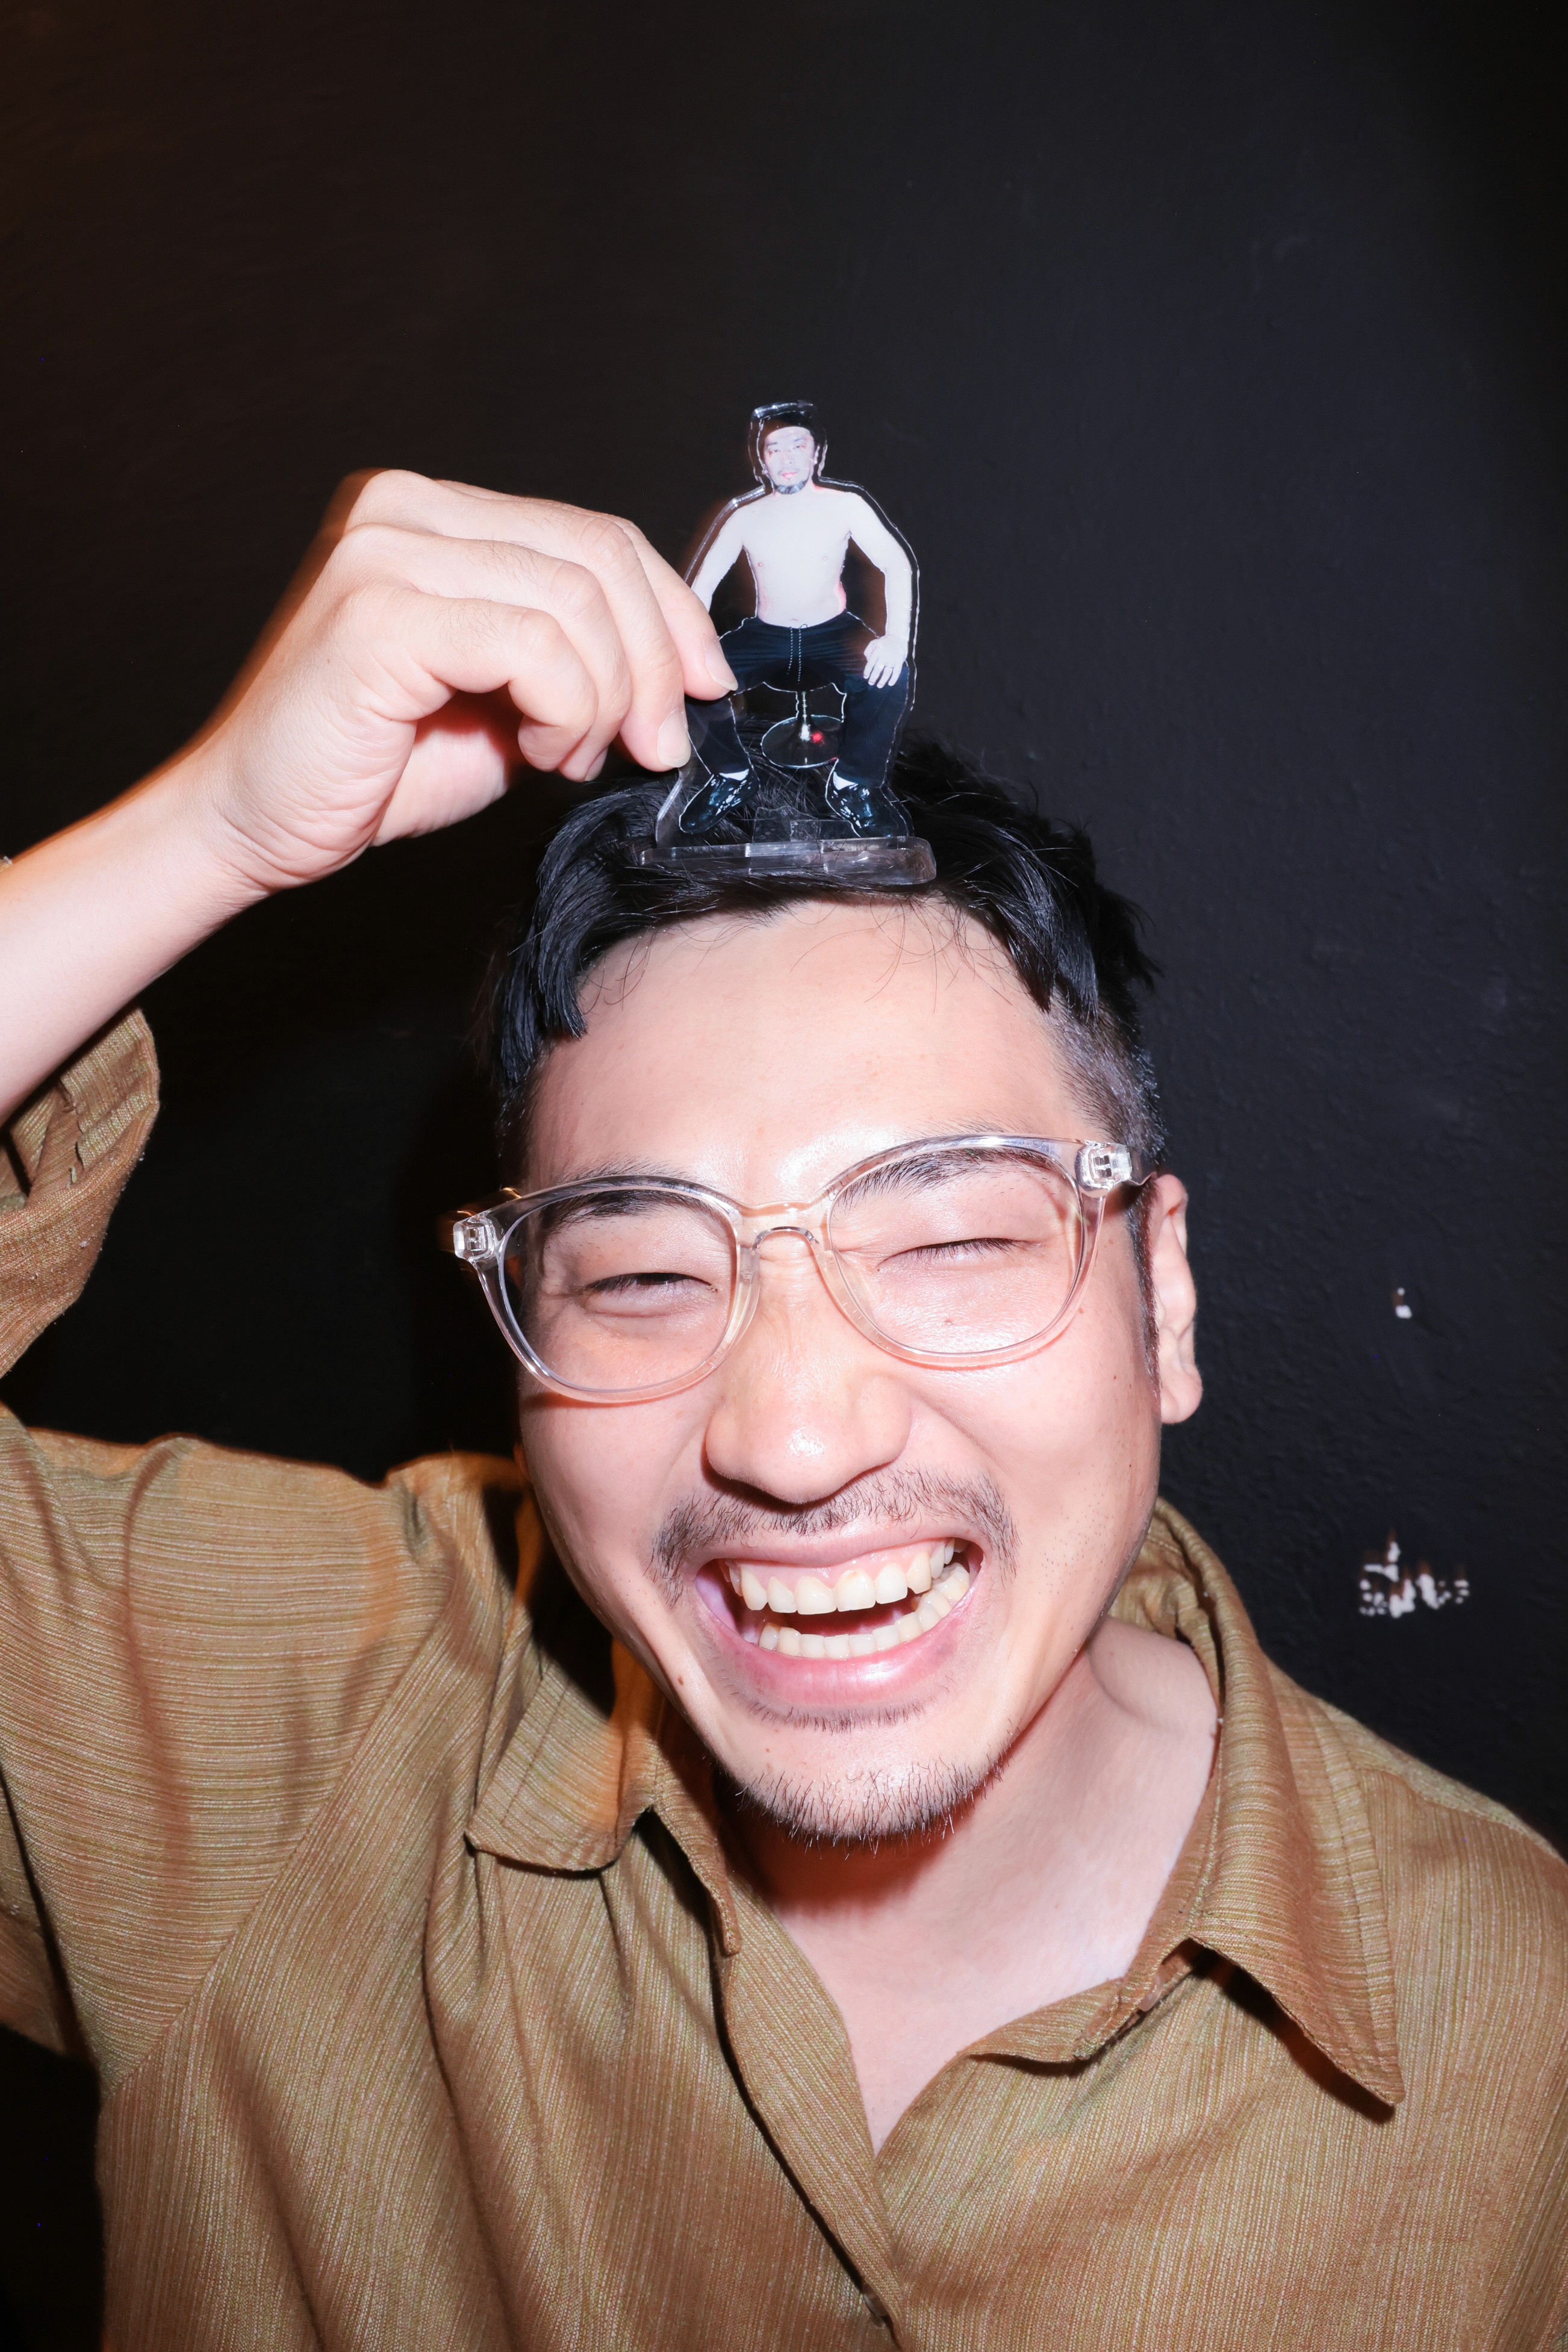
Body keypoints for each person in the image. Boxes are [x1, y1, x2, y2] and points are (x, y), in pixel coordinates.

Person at [0, 471, 1563, 2352]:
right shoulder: (282, 1740)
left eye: (951, 1240)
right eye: (644, 1275)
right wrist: (204, 831)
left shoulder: (1518, 2044)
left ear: (1158, 1297)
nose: (796, 1437)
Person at [682, 401, 915, 830]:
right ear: (762, 462)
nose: (786, 458)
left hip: (832, 633)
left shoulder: (846, 505)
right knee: (691, 680)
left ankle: (853, 783)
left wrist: (896, 637)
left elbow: (896, 563)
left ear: (816, 454)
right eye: (774, 449)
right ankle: (732, 776)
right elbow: (701, 588)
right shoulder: (744, 518)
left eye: (797, 446)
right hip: (765, 636)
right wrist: (690, 646)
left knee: (890, 676)